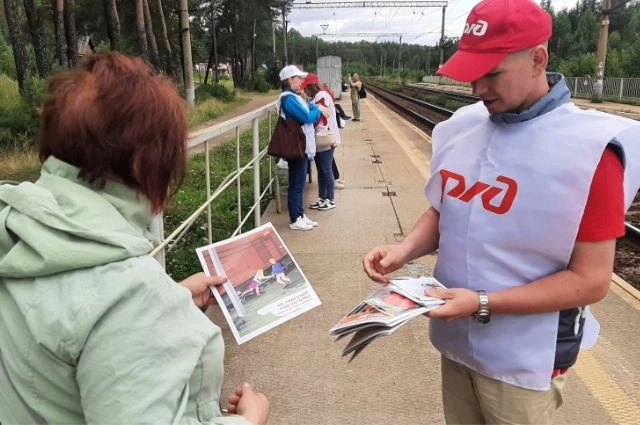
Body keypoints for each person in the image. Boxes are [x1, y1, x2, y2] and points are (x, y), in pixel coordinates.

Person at [363, 0, 640, 424]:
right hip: (455, 340)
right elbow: (445, 210)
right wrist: (406, 249)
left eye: (492, 73)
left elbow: (591, 281)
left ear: (537, 59)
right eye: (472, 74)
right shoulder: (461, 127)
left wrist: (483, 303)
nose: (478, 89)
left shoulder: (591, 152)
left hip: (525, 360)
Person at [0, 52, 269, 424]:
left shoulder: (15, 230)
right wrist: (247, 421)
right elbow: (107, 307)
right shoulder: (129, 294)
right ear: (146, 164)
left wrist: (170, 298)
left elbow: (66, 322)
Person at [277, 65, 330, 231]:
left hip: (301, 145)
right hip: (297, 146)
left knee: (299, 182)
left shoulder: (293, 96)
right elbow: (307, 116)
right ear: (290, 80)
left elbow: (308, 108)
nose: (301, 81)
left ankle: (300, 214)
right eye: (299, 78)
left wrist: (315, 108)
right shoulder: (288, 98)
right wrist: (319, 111)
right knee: (297, 184)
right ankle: (295, 219)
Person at [303, 73, 342, 211]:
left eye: (305, 88)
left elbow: (322, 117)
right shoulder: (316, 97)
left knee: (326, 170)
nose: (304, 91)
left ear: (310, 87)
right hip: (319, 139)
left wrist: (308, 122)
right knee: (321, 170)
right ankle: (322, 197)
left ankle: (330, 199)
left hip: (325, 139)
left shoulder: (321, 96)